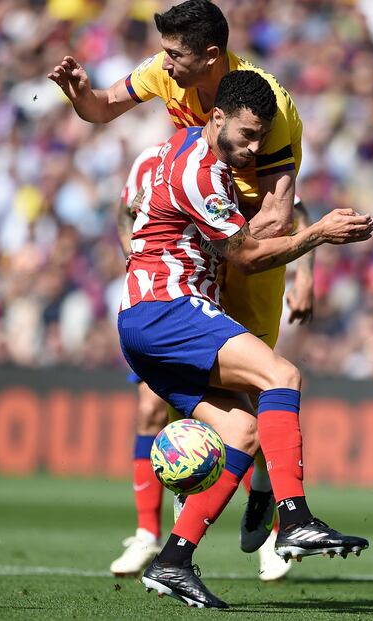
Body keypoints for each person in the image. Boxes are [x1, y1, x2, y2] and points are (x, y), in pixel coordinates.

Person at [48, 0, 313, 579]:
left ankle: (267, 508)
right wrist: (78, 93)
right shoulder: (168, 89)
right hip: (198, 260)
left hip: (246, 255)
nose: (163, 67)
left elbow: (278, 215)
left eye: (175, 56)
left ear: (211, 57)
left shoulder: (268, 111)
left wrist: (233, 233)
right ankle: (161, 535)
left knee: (262, 389)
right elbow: (100, 109)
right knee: (166, 400)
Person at [117, 69, 372, 609]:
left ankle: (173, 561)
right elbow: (250, 259)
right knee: (283, 375)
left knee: (242, 432)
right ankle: (295, 520)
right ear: (216, 118)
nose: (254, 149)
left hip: (145, 318)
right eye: (247, 136)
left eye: (262, 138)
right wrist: (317, 234)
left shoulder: (189, 144)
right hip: (167, 306)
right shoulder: (201, 172)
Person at [112, 143, 305, 580]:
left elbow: (296, 208)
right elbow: (123, 212)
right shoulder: (159, 159)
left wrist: (306, 277)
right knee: (154, 408)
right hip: (171, 304)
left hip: (222, 303)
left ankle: (193, 553)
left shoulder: (239, 160)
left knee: (251, 422)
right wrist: (144, 251)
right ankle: (152, 535)